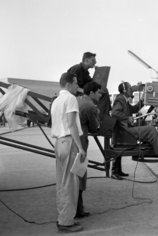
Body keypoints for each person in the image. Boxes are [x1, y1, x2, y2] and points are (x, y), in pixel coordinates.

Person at [111, 82, 158, 180]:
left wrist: (142, 100)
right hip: (125, 130)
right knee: (151, 130)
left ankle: (152, 145)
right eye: (130, 89)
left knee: (143, 123)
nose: (131, 90)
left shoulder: (124, 100)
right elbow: (115, 113)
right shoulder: (120, 99)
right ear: (124, 90)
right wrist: (127, 118)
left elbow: (134, 109)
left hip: (125, 128)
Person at [51, 72, 86, 233]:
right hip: (69, 141)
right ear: (68, 85)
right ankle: (66, 222)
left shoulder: (57, 100)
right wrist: (80, 147)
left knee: (62, 182)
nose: (77, 86)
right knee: (70, 184)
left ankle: (63, 218)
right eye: (75, 83)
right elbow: (71, 124)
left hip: (59, 142)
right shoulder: (70, 99)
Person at [75, 81, 102, 218]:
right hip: (80, 144)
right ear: (91, 93)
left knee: (73, 177)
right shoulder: (90, 106)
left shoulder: (78, 99)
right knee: (80, 176)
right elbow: (93, 128)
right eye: (98, 92)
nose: (100, 94)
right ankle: (78, 210)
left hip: (71, 142)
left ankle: (76, 208)